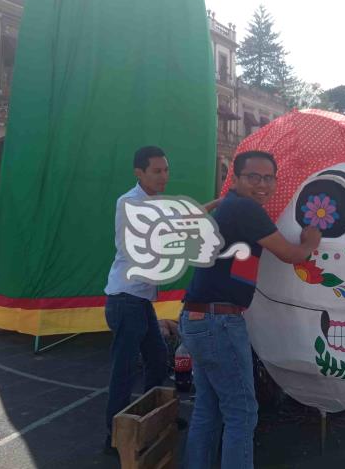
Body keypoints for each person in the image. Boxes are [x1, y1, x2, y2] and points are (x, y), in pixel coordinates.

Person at [181, 150, 322, 469]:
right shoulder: (245, 209)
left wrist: (219, 203)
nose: (263, 184)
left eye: (269, 177)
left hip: (199, 317)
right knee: (242, 413)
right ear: (236, 178)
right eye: (253, 177)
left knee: (209, 408)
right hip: (219, 321)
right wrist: (310, 242)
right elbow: (290, 254)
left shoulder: (233, 207)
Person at [103, 146, 173, 453]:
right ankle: (115, 436)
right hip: (125, 299)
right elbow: (133, 247)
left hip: (140, 301)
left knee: (158, 361)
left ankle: (147, 419)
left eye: (166, 170)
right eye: (157, 171)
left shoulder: (157, 203)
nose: (164, 176)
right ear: (139, 173)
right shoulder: (130, 203)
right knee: (125, 369)